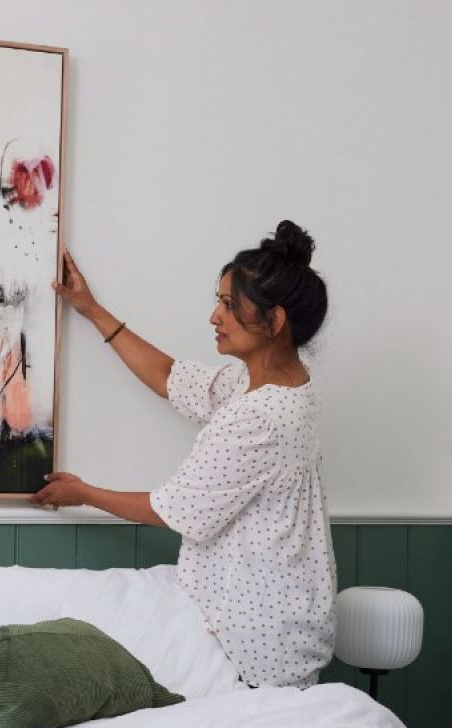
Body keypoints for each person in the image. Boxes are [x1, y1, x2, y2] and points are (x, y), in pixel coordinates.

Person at [32, 220, 334, 688]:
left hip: (259, 644)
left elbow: (174, 510)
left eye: (230, 306)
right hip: (285, 627)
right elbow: (169, 376)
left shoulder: (259, 417)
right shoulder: (286, 381)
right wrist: (91, 310)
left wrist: (84, 492)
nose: (215, 316)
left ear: (274, 323)